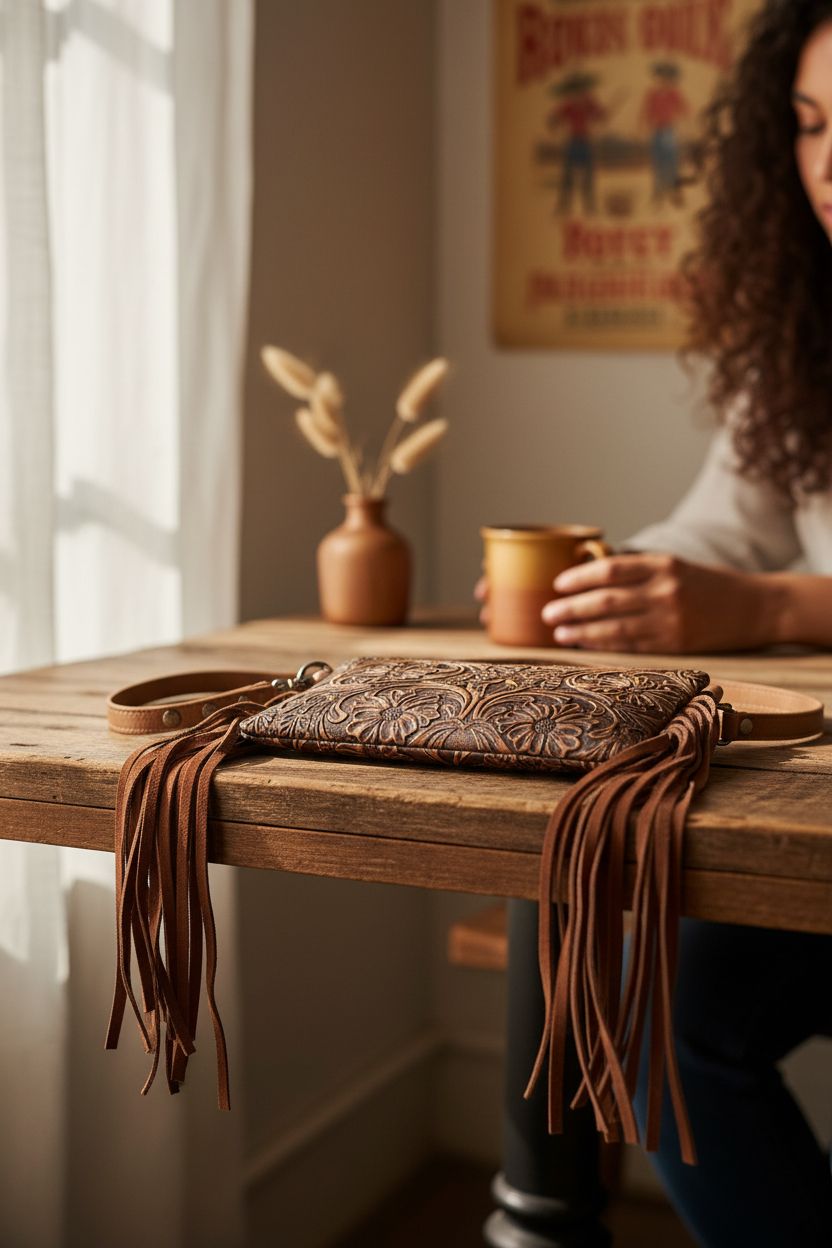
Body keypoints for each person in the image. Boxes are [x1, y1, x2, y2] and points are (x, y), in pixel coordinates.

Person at [479, 4, 832, 1244]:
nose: (828, 166)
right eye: (805, 127)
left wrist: (774, 606)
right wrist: (601, 581)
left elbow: (755, 583)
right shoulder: (805, 324)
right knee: (643, 1020)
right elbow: (721, 533)